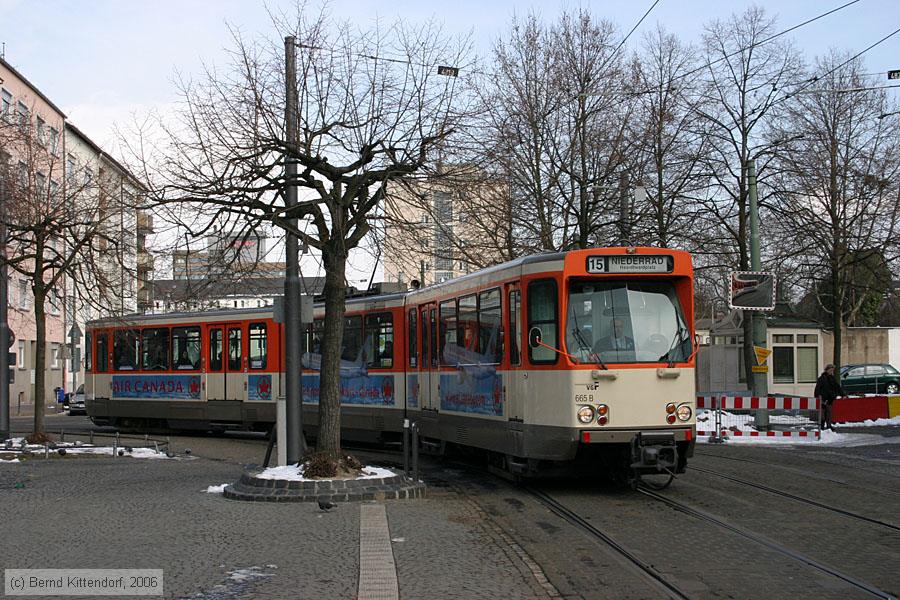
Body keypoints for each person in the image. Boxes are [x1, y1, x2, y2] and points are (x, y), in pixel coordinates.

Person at [814, 364, 844, 431]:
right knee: (823, 414)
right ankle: (822, 426)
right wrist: (818, 397)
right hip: (823, 399)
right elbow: (817, 389)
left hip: (830, 398)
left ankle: (828, 426)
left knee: (829, 413)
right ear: (827, 370)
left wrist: (842, 394)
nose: (831, 372)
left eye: (832, 370)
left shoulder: (832, 378)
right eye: (830, 370)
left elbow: (837, 387)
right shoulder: (822, 379)